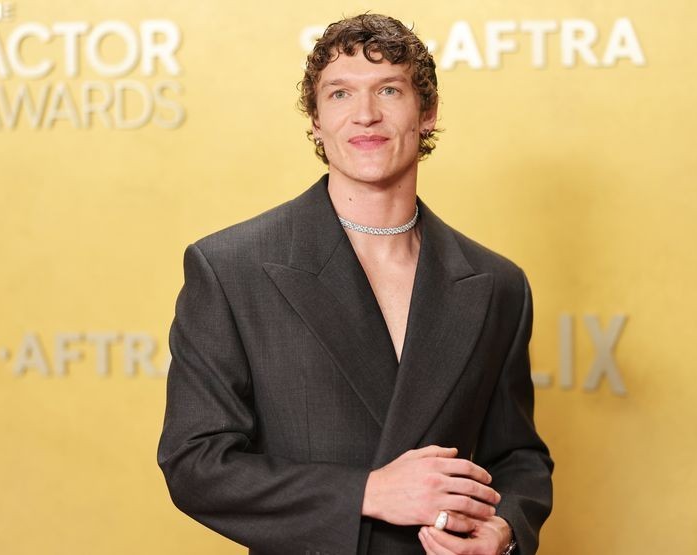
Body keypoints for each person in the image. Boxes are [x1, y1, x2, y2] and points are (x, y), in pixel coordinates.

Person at [157, 13, 553, 555]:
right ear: (317, 121)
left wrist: (505, 530)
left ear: (428, 113)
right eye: (340, 94)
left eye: (389, 90)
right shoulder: (230, 268)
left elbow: (518, 458)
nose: (365, 115)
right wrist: (368, 492)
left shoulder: (499, 284)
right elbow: (196, 464)